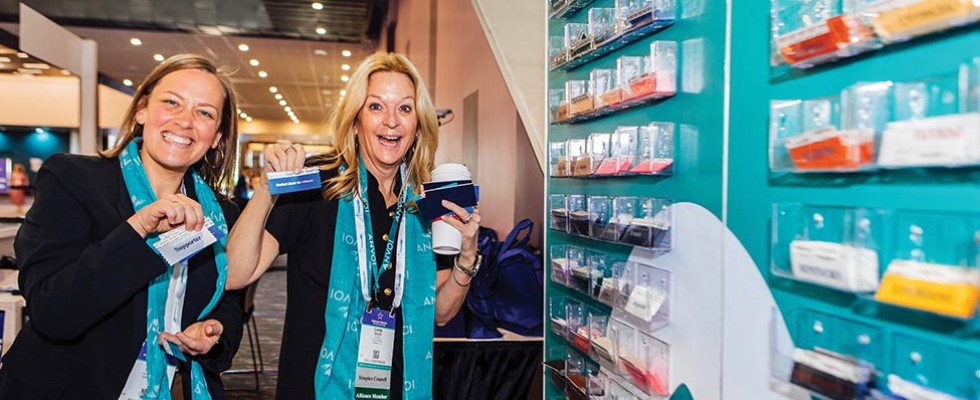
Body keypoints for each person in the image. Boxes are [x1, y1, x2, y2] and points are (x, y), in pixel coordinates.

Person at [225, 52, 481, 399]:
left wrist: (467, 256)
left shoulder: (424, 201)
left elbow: (441, 313)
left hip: (400, 387)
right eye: (376, 106)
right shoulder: (316, 183)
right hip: (316, 387)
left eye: (404, 109)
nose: (391, 121)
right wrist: (265, 190)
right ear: (356, 119)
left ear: (418, 125)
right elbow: (235, 273)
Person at [0, 54, 244, 399]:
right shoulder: (73, 179)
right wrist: (137, 230)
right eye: (172, 103)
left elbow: (228, 304)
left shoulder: (222, 214)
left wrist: (215, 331)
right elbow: (52, 311)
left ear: (217, 136)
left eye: (204, 113)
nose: (185, 122)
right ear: (142, 109)